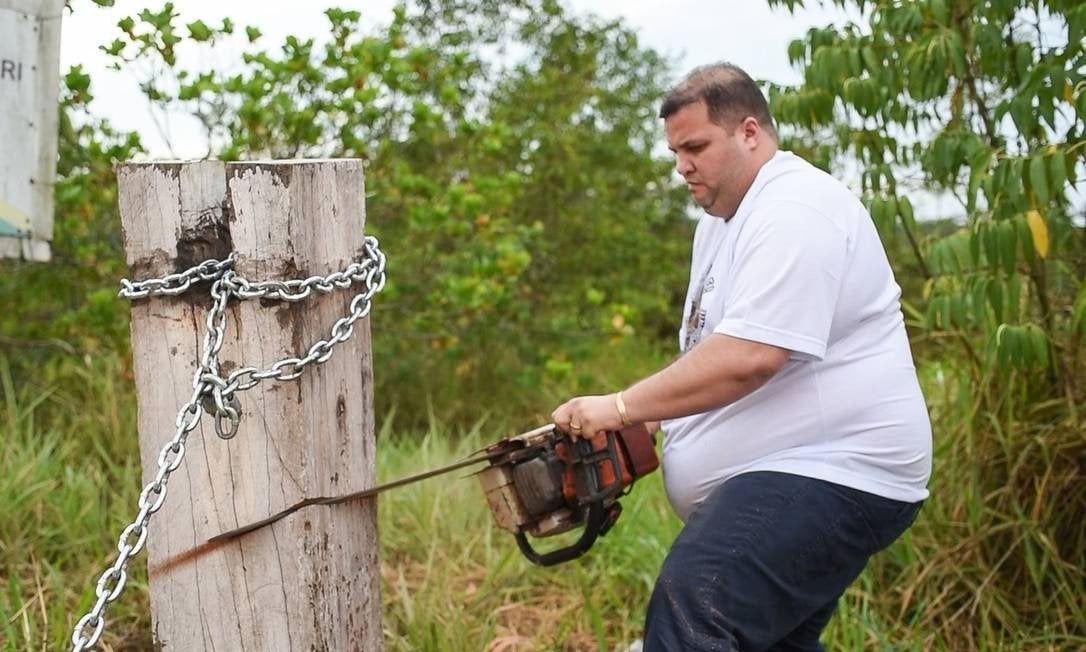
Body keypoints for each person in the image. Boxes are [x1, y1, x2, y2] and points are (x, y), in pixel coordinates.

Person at [550, 62, 932, 651]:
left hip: (839, 470)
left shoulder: (796, 209)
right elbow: (708, 355)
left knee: (695, 604)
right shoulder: (722, 223)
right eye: (676, 151)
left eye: (696, 146)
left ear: (750, 132)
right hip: (794, 472)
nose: (683, 166)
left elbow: (752, 355)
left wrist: (620, 406)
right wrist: (649, 421)